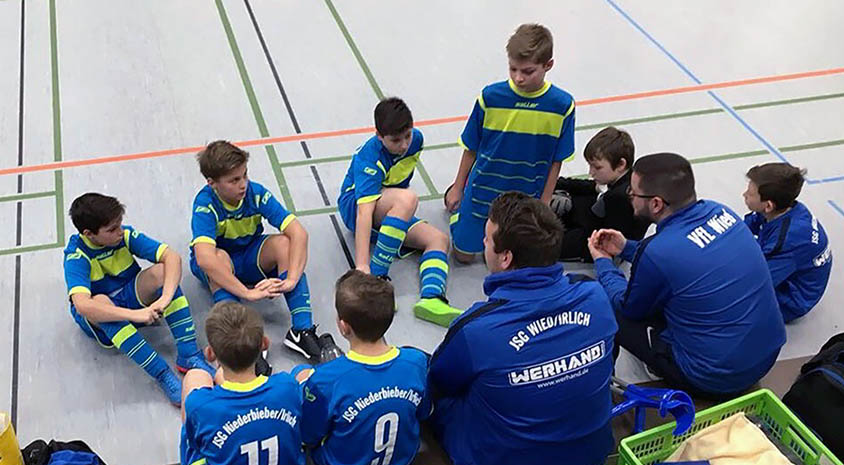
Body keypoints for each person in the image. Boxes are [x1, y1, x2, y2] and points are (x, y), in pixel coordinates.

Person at [429, 193, 617, 465]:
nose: (483, 243)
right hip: (589, 459)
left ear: (505, 257)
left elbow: (439, 382)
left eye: (488, 239)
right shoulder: (594, 295)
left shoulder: (477, 330)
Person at [588, 153, 786, 397]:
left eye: (633, 192)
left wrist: (604, 263)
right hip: (766, 357)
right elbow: (687, 255)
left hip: (715, 377)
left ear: (656, 204)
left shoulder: (658, 252)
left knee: (602, 302)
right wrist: (626, 248)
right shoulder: (720, 212)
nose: (629, 196)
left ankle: (659, 363)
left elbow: (628, 307)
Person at [63, 193, 214, 405]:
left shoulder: (124, 236)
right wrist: (136, 315)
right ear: (89, 234)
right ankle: (162, 373)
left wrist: (165, 298)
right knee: (100, 302)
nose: (120, 231)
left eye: (120, 225)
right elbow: (83, 305)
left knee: (162, 273)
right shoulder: (76, 256)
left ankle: (188, 355)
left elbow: (171, 257)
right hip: (104, 316)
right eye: (112, 229)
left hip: (129, 294)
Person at [445, 23, 576, 263]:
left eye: (527, 71)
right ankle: (459, 216)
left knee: (500, 259)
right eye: (513, 69)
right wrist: (458, 187)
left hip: (523, 198)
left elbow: (557, 160)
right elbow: (471, 147)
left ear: (548, 65)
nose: (518, 78)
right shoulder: (490, 97)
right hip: (482, 190)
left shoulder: (562, 106)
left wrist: (545, 201)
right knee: (463, 257)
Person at [190, 140, 322, 363]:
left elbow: (299, 233)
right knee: (218, 258)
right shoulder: (205, 204)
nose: (243, 184)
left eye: (244, 175)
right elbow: (204, 259)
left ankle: (301, 331)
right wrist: (246, 293)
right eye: (234, 180)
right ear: (212, 183)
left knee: (284, 244)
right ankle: (243, 342)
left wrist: (291, 279)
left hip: (249, 254)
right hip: (222, 263)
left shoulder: (255, 193)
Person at [337, 97, 462, 328]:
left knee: (439, 239)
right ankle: (377, 279)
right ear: (379, 136)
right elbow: (364, 213)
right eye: (395, 140)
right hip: (356, 207)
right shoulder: (369, 158)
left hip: (392, 207)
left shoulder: (417, 141)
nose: (404, 145)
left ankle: (432, 298)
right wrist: (362, 266)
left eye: (407, 136)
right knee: (408, 198)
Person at [300, 270, 430, 465]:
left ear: (343, 327)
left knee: (300, 375)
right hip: (402, 462)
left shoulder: (326, 380)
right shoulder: (415, 362)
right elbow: (423, 411)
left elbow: (309, 436)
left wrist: (305, 383)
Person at [180, 302, 305, 465]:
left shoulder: (200, 404)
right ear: (264, 344)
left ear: (210, 353)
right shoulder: (287, 387)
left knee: (196, 377)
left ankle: (225, 382)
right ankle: (230, 383)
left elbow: (196, 441)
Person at [743, 163, 831, 322]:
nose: (744, 195)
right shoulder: (786, 208)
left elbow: (757, 283)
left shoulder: (788, 241)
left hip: (791, 300)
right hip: (786, 269)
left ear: (768, 205)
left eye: (749, 194)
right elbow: (746, 227)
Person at [550, 127, 649, 261]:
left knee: (545, 244)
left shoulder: (617, 197)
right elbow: (594, 187)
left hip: (596, 241)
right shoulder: (627, 178)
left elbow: (599, 238)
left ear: (620, 164)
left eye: (597, 167)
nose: (591, 172)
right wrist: (558, 183)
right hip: (598, 222)